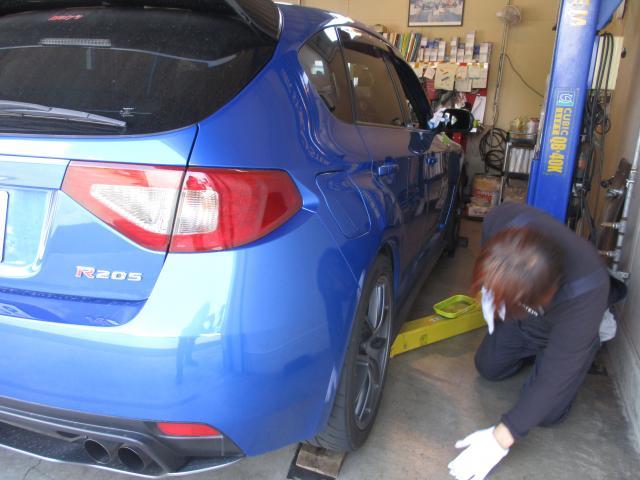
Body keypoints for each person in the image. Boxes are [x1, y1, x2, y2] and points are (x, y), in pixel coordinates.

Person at [448, 203, 620, 480]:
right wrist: (492, 292)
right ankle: (540, 348)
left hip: (571, 322)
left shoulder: (586, 289)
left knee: (548, 413)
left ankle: (587, 342)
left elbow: (554, 378)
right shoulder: (502, 219)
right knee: (488, 367)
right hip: (528, 313)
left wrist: (500, 438)